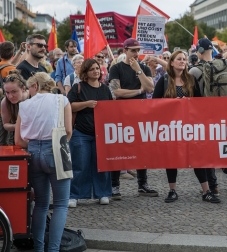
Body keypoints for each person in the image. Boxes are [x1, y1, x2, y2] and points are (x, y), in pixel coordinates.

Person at [152, 50, 220, 203]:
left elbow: (199, 102)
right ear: (172, 62)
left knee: (197, 157)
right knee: (171, 158)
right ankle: (172, 190)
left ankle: (206, 191)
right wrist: (172, 103)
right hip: (170, 127)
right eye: (179, 59)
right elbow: (154, 104)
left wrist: (187, 101)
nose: (182, 61)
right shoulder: (164, 80)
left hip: (189, 126)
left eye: (184, 59)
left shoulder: (191, 79)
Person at [14, 72, 72, 252]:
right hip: (56, 149)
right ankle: (53, 249)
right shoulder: (62, 100)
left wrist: (33, 144)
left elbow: (18, 140)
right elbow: (68, 131)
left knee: (40, 204)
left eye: (30, 88)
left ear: (36, 86)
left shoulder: (24, 105)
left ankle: (38, 248)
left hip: (32, 152)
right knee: (61, 204)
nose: (29, 92)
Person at [109, 38, 157, 199]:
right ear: (125, 51)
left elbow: (150, 88)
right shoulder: (116, 68)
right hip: (121, 113)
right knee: (119, 147)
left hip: (140, 113)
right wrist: (137, 91)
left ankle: (142, 184)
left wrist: (138, 71)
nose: (136, 53)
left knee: (141, 149)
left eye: (138, 50)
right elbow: (116, 91)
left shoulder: (143, 68)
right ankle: (114, 185)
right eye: (133, 50)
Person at [190, 38, 227, 195]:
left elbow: (191, 94)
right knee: (224, 146)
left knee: (208, 150)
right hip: (224, 113)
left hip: (204, 114)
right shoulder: (225, 66)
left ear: (200, 51)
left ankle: (213, 186)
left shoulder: (194, 71)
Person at [67, 58, 113, 208]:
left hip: (102, 132)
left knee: (102, 164)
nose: (96, 71)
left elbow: (112, 109)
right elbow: (69, 106)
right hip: (81, 132)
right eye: (92, 69)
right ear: (85, 72)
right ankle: (75, 195)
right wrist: (87, 104)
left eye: (97, 68)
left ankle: (103, 193)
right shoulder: (78, 87)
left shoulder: (105, 89)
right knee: (80, 164)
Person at [1, 71, 29, 145]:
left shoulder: (33, 98)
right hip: (17, 136)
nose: (10, 96)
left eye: (14, 92)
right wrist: (19, 126)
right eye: (7, 92)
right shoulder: (5, 102)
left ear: (23, 88)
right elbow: (6, 124)